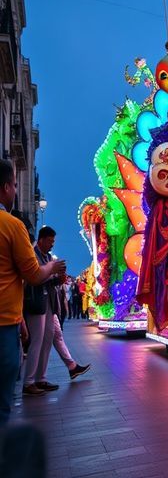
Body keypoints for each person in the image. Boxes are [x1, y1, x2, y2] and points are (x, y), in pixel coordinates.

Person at [0, 159, 65, 423]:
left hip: (13, 319)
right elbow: (34, 275)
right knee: (3, 401)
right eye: (15, 185)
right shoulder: (12, 225)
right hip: (4, 322)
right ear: (5, 188)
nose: (16, 190)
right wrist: (53, 267)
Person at [23, 227, 67, 395]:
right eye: (50, 241)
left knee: (48, 339)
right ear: (41, 240)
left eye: (53, 242)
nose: (51, 245)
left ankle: (41, 378)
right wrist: (52, 273)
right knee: (37, 341)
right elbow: (34, 277)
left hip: (48, 303)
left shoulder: (48, 257)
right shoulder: (33, 255)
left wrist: (58, 278)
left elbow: (48, 280)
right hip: (36, 303)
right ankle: (29, 382)